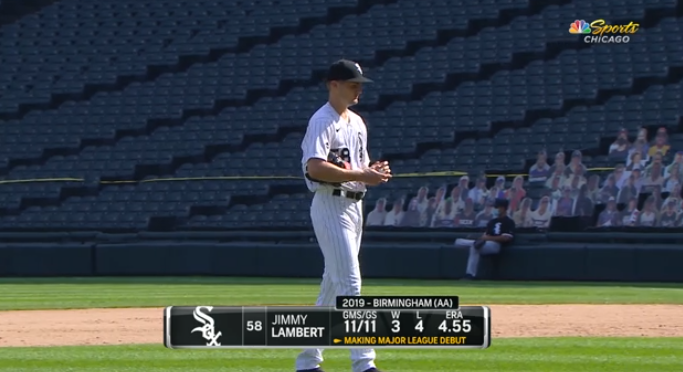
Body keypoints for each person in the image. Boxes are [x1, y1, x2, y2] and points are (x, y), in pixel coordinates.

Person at [298, 59, 389, 372]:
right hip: (329, 205)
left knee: (332, 286)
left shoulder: (358, 122)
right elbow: (315, 167)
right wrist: (363, 175)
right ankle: (364, 364)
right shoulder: (322, 120)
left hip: (354, 206)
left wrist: (371, 172)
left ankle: (308, 362)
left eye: (360, 84)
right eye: (353, 83)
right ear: (332, 84)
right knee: (351, 283)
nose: (359, 89)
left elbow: (358, 168)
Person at [454, 199, 516, 280]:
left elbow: (506, 238)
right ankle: (470, 275)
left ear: (503, 208)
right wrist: (483, 238)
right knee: (464, 243)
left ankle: (470, 275)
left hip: (496, 245)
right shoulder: (492, 221)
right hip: (486, 243)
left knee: (472, 245)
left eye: (497, 207)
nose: (495, 209)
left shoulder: (509, 221)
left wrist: (488, 238)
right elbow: (484, 236)